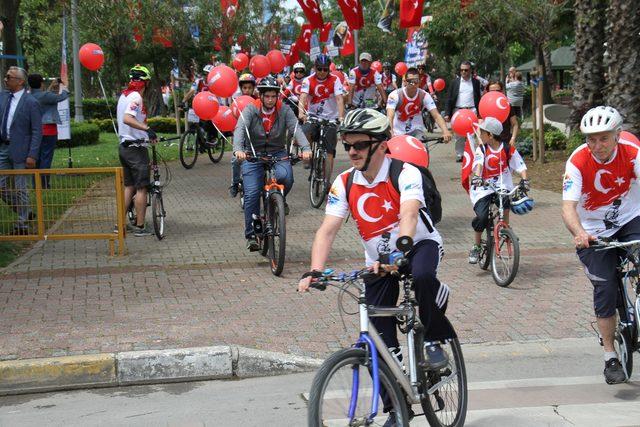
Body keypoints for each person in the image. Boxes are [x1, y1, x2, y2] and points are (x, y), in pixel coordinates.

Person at [298, 108, 455, 424]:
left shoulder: (405, 173)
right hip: (378, 263)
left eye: (359, 145)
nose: (352, 152)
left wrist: (401, 254)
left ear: (382, 145)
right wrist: (315, 269)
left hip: (418, 245)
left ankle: (435, 338)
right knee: (375, 345)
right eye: (348, 146)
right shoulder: (344, 183)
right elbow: (327, 229)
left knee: (423, 276)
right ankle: (398, 410)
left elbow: (409, 214)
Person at [561, 106, 640, 384]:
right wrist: (579, 232)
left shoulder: (632, 150)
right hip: (593, 231)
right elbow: (568, 207)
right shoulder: (578, 161)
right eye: (591, 139)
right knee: (605, 286)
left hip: (631, 218)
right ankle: (610, 356)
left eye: (603, 138)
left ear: (618, 134)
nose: (597, 146)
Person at [233, 76, 312, 250]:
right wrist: (238, 149)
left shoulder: (284, 110)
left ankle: (278, 201)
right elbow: (239, 129)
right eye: (266, 96)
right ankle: (251, 235)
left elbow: (295, 128)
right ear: (260, 96)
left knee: (286, 178)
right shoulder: (250, 109)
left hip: (277, 152)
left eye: (273, 96)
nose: (270, 99)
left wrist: (306, 148)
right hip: (252, 153)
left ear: (277, 96)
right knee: (252, 192)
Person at [467, 117, 528, 264]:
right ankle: (476, 245)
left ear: (491, 135)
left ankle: (505, 229)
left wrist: (525, 180)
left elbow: (520, 166)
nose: (480, 135)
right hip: (483, 187)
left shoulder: (507, 149)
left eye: (482, 132)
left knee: (505, 199)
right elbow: (479, 164)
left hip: (501, 185)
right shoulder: (482, 148)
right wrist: (477, 177)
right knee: (482, 218)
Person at [0, 66, 41, 235]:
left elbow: (37, 131)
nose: (5, 79)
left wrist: (32, 154)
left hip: (22, 152)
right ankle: (25, 212)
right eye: (6, 76)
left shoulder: (31, 102)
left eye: (9, 77)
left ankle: (22, 224)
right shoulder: (3, 97)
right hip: (3, 148)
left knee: (20, 188)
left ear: (20, 81)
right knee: (1, 187)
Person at [116, 64, 157, 237]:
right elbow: (127, 118)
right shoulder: (136, 98)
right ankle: (140, 227)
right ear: (145, 83)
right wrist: (146, 129)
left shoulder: (123, 96)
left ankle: (119, 224)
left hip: (124, 147)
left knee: (129, 187)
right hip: (135, 148)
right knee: (142, 188)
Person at [298, 54, 345, 185]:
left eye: (325, 69)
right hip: (313, 117)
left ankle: (326, 181)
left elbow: (340, 99)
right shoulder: (308, 80)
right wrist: (301, 113)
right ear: (315, 68)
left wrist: (341, 118)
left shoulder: (335, 80)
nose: (322, 72)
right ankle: (307, 154)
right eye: (319, 69)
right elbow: (302, 97)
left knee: (330, 152)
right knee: (302, 132)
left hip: (330, 119)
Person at [386, 67, 451, 142]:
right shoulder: (395, 95)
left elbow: (436, 115)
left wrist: (445, 131)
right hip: (398, 133)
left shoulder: (424, 95)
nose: (413, 84)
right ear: (405, 82)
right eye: (410, 81)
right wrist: (391, 133)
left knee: (423, 151)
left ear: (419, 82)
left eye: (416, 81)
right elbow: (390, 116)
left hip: (417, 133)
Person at [27, 74, 69, 188]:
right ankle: (44, 184)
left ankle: (36, 184)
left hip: (34, 131)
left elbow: (45, 95)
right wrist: (65, 87)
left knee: (36, 157)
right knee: (46, 158)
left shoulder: (29, 96)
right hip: (48, 130)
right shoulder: (45, 95)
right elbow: (61, 97)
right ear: (41, 83)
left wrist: (51, 87)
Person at [444, 61, 481, 162]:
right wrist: (447, 113)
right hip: (458, 111)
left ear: (470, 71)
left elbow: (478, 97)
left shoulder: (476, 82)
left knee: (472, 134)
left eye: (466, 70)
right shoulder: (454, 82)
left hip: (472, 110)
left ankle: (472, 153)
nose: (463, 72)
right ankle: (460, 154)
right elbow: (449, 98)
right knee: (459, 135)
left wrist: (480, 113)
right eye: (462, 70)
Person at [228, 73, 258, 198]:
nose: (247, 90)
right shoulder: (236, 100)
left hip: (255, 135)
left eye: (249, 88)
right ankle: (235, 183)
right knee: (236, 160)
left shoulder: (257, 100)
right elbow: (231, 116)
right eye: (244, 88)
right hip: (241, 134)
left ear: (253, 88)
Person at [486, 80, 519, 147]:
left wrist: (513, 139)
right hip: (489, 143)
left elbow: (515, 124)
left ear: (502, 91)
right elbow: (480, 123)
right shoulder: (484, 105)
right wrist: (480, 140)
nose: (495, 93)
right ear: (487, 92)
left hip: (505, 142)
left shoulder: (507, 105)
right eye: (492, 91)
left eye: (497, 91)